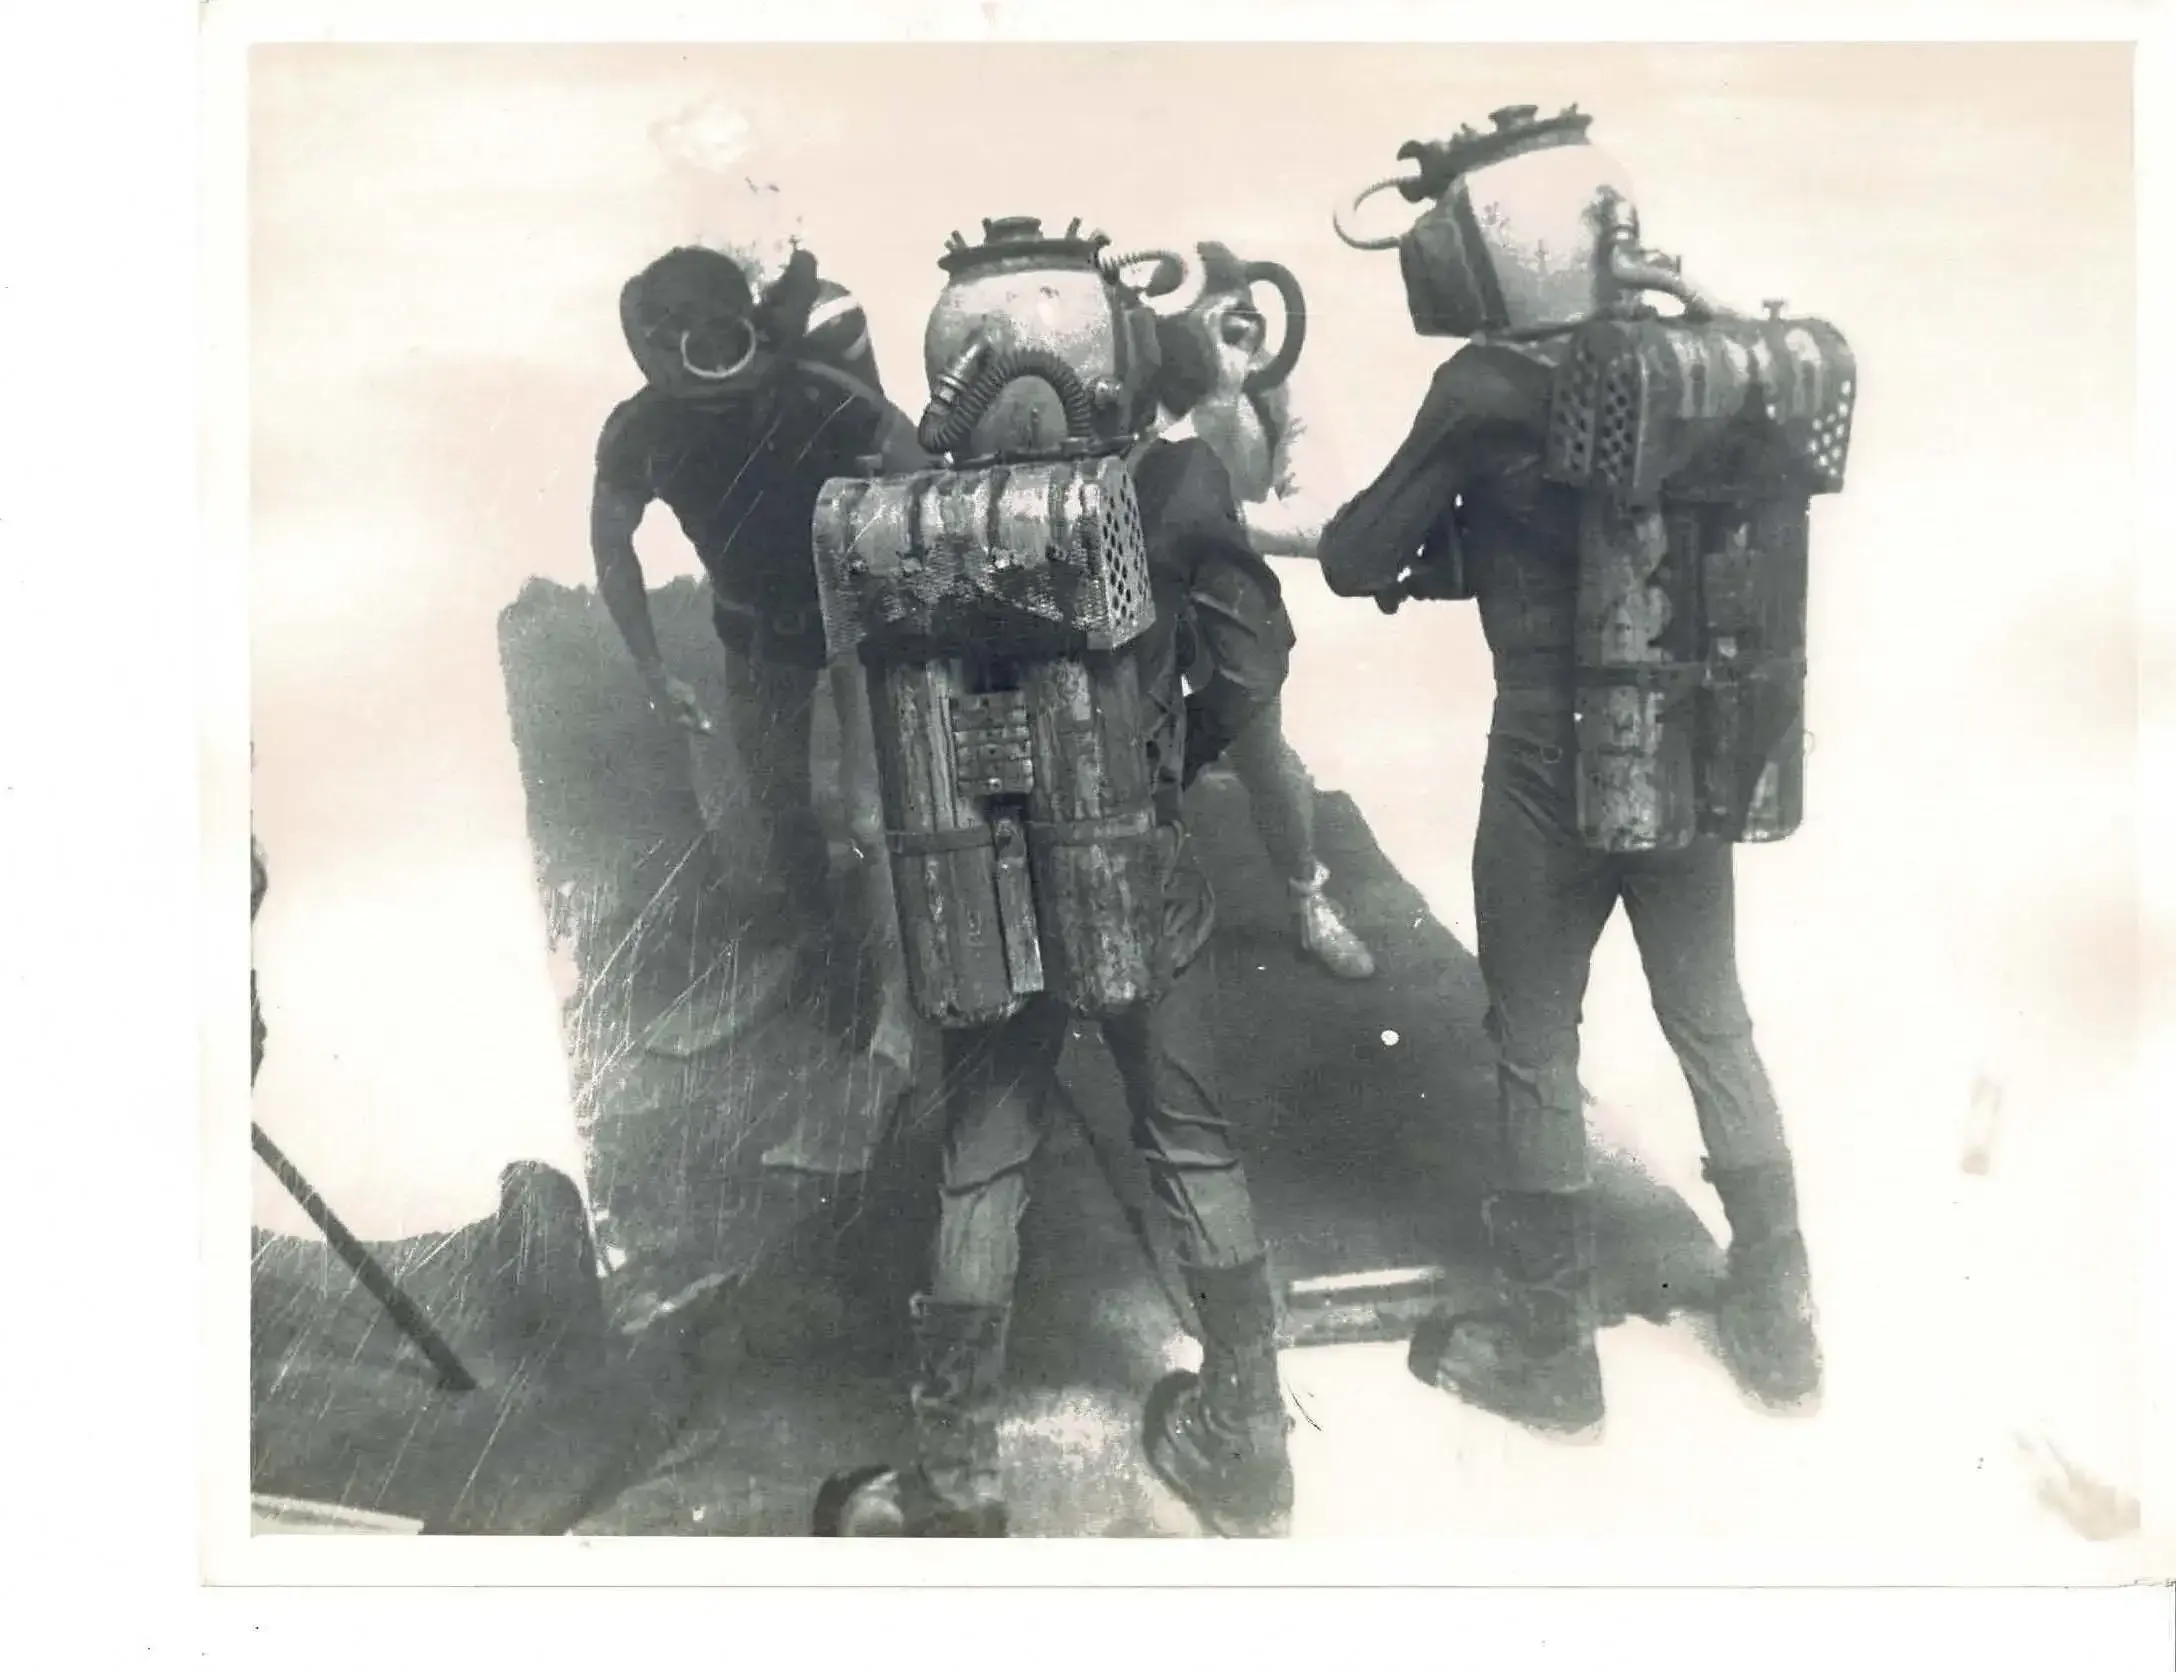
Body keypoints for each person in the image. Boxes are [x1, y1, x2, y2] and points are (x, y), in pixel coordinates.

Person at [1316, 108, 1823, 1436]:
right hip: (1686, 740)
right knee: (1712, 1021)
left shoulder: (1482, 388)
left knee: (1535, 1044)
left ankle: (1550, 1355)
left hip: (1547, 755)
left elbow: (1360, 555)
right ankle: (1783, 1329)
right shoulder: (1688, 364)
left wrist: (1438, 542)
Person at [817, 263, 1297, 1539]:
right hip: (1136, 859)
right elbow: (1252, 661)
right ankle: (1248, 1441)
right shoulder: (1174, 484)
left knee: (981, 1161)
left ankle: (954, 1479)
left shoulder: (901, 513)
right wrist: (1165, 765)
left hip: (976, 875)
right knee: (1189, 1137)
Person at [589, 241, 922, 1165]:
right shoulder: (641, 429)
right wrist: (653, 670)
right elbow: (611, 541)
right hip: (755, 627)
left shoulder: (819, 393)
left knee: (868, 813)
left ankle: (898, 1018)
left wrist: (912, 622)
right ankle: (814, 945)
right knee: (776, 799)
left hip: (856, 615)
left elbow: (927, 482)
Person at [1140, 242, 1376, 981]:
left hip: (1219, 574)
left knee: (1261, 743)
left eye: (1240, 322)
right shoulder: (1136, 373)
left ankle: (1308, 898)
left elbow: (1322, 522)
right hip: (1135, 570)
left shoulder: (1275, 387)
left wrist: (1215, 511)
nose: (1231, 340)